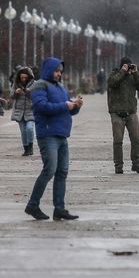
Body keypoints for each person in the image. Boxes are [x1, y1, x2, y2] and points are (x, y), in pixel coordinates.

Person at [24, 57, 82, 221]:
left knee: (62, 172)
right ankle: (32, 205)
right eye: (56, 71)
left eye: (60, 72)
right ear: (49, 70)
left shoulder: (60, 87)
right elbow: (42, 107)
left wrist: (75, 106)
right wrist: (65, 105)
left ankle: (59, 208)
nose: (58, 74)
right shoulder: (39, 85)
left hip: (62, 134)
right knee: (49, 170)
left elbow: (67, 109)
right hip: (48, 134)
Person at [107, 57, 139, 174]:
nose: (128, 67)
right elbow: (112, 83)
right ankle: (118, 166)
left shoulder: (133, 76)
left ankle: (136, 164)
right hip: (116, 113)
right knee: (118, 141)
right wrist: (122, 72)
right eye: (125, 65)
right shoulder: (114, 74)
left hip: (131, 112)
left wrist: (136, 73)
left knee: (136, 138)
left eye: (129, 65)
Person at [10, 67, 35, 156]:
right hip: (19, 111)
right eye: (22, 78)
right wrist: (16, 92)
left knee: (29, 128)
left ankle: (31, 146)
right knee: (23, 131)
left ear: (29, 77)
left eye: (25, 77)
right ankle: (26, 149)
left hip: (31, 110)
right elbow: (11, 96)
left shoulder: (34, 84)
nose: (24, 79)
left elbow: (37, 97)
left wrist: (28, 92)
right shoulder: (15, 84)